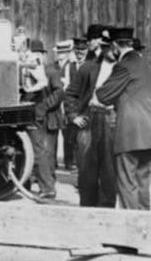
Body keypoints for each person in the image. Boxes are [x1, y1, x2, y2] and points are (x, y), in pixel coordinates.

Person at [96, 27, 151, 210]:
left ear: (115, 46)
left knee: (127, 184)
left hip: (129, 133)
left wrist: (120, 100)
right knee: (143, 183)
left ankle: (129, 232)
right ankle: (144, 226)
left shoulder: (123, 66)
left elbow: (104, 95)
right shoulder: (150, 64)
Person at [65, 23, 118, 208]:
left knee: (110, 172)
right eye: (105, 46)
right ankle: (87, 212)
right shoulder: (88, 68)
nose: (110, 50)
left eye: (112, 45)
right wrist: (73, 116)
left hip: (112, 121)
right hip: (89, 121)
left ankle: (106, 213)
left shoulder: (123, 68)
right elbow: (71, 93)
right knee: (87, 172)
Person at [23, 39, 64, 199]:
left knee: (43, 153)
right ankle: (47, 186)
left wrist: (43, 107)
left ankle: (47, 187)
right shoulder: (29, 71)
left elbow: (59, 93)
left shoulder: (50, 71)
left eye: (34, 54)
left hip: (48, 117)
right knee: (42, 153)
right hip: (36, 116)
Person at [54, 39, 78, 171]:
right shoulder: (54, 66)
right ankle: (53, 162)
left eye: (63, 52)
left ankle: (70, 161)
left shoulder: (72, 66)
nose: (60, 55)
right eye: (59, 52)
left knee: (68, 134)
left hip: (67, 102)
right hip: (56, 102)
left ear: (68, 53)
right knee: (54, 132)